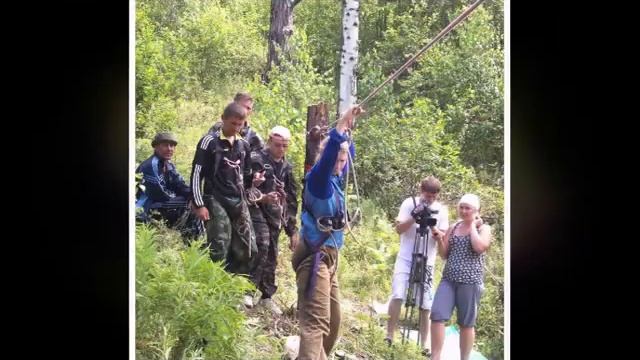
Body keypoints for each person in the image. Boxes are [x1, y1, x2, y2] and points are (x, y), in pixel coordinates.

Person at [291, 105, 363, 360]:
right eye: (337, 160)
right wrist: (340, 126)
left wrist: (348, 129)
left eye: (343, 162)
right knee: (315, 324)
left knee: (333, 322)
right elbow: (333, 152)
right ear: (326, 158)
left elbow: (345, 152)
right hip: (314, 258)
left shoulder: (335, 177)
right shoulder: (318, 180)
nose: (341, 165)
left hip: (330, 259)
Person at [190, 102, 264, 277]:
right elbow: (196, 174)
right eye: (233, 123)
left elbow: (246, 176)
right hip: (215, 197)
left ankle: (236, 285)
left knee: (248, 246)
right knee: (220, 244)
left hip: (238, 200)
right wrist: (199, 203)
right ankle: (213, 285)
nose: (236, 128)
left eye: (240, 124)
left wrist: (254, 183)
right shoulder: (209, 142)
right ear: (223, 119)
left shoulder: (244, 145)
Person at [385, 176, 449, 356]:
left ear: (437, 195)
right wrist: (414, 216)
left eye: (433, 196)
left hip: (427, 259)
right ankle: (389, 335)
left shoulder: (441, 210)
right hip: (406, 256)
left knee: (426, 303)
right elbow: (398, 229)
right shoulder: (409, 203)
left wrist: (436, 232)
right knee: (398, 294)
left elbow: (443, 234)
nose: (429, 199)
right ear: (421, 191)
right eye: (427, 195)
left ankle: (424, 344)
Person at [430, 194, 492, 360]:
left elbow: (480, 247)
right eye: (461, 207)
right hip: (448, 279)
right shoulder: (453, 227)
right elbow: (444, 255)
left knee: (466, 323)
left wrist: (472, 225)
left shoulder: (483, 229)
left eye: (468, 208)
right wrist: (439, 240)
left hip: (470, 282)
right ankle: (435, 357)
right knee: (437, 314)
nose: (464, 211)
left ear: (476, 211)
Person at [248, 125, 299, 313]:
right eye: (278, 145)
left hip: (275, 214)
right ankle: (246, 290)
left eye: (285, 146)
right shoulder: (256, 159)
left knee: (272, 253)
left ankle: (266, 296)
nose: (281, 149)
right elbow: (245, 187)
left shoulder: (287, 167)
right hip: (254, 208)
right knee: (261, 243)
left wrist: (292, 230)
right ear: (269, 141)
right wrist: (259, 191)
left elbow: (291, 199)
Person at [136, 132, 203, 238]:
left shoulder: (168, 164)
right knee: (188, 204)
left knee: (196, 201)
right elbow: (160, 195)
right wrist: (188, 199)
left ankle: (193, 244)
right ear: (156, 147)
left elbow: (179, 184)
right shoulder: (151, 165)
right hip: (145, 207)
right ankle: (197, 243)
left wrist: (194, 196)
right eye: (165, 145)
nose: (169, 149)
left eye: (172, 146)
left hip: (161, 204)